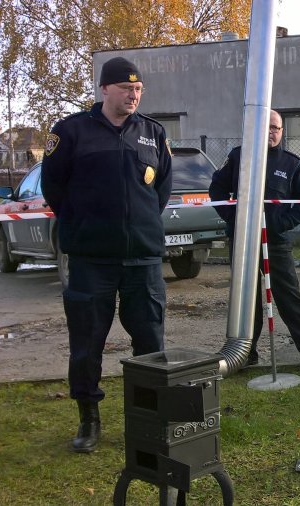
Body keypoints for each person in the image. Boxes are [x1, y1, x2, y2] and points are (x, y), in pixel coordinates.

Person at [41, 57, 172, 453]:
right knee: (87, 344)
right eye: (125, 89)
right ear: (104, 90)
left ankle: (147, 418)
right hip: (90, 262)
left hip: (143, 261)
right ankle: (89, 420)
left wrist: (138, 227)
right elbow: (54, 189)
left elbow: (160, 192)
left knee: (151, 343)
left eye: (138, 90)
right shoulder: (71, 131)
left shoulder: (152, 132)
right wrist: (87, 227)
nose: (133, 95)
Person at [209, 110, 300, 366]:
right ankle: (246, 353)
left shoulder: (293, 164)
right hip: (242, 241)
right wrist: (233, 218)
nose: (271, 132)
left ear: (281, 132)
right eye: (266, 127)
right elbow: (216, 189)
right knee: (246, 299)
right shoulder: (239, 156)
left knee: (289, 296)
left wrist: (280, 224)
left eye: (275, 128)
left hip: (275, 242)